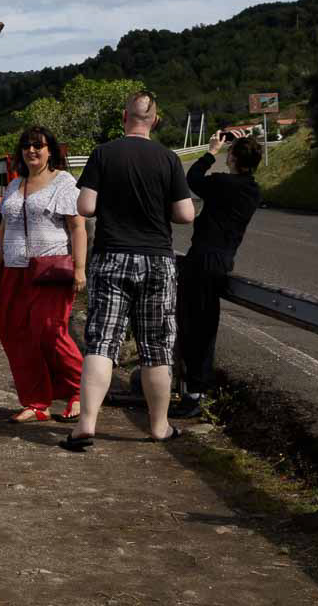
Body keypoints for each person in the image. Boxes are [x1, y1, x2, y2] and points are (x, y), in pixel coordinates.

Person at [64, 91, 195, 450]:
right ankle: (159, 427)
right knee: (156, 346)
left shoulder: (104, 153)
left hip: (111, 257)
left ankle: (86, 424)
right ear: (154, 120)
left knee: (102, 342)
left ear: (125, 117)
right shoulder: (168, 159)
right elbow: (186, 215)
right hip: (156, 259)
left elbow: (86, 206)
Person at [0, 125, 86, 423]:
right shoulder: (13, 185)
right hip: (15, 270)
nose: (32, 151)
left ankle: (81, 390)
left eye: (39, 146)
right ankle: (36, 402)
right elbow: (4, 228)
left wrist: (80, 268)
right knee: (15, 334)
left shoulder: (64, 182)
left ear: (50, 151)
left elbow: (77, 226)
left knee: (50, 331)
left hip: (50, 269)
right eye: (27, 146)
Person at [171, 132, 263, 417]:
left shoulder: (223, 183)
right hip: (223, 260)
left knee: (189, 324)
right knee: (206, 325)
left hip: (201, 259)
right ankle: (194, 388)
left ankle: (191, 393)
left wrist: (212, 150)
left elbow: (193, 178)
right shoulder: (252, 191)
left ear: (232, 158)